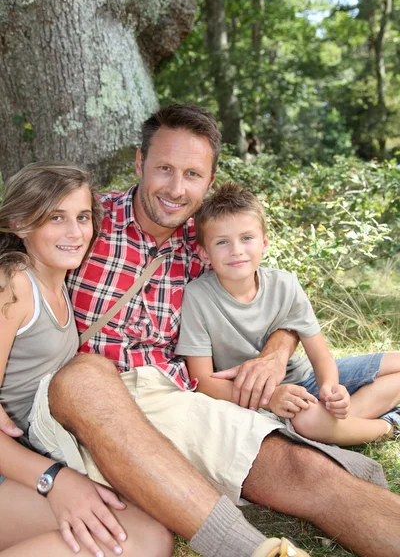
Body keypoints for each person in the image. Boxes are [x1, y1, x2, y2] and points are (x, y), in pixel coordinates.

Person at [4, 105, 400, 557]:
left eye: (192, 174)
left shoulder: (211, 241)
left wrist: (275, 351)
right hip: (79, 402)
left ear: (209, 180)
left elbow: (279, 300)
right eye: (164, 169)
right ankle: (245, 548)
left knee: (303, 471)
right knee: (86, 371)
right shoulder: (89, 220)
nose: (176, 189)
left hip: (168, 397)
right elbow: (24, 252)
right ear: (139, 164)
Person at [0, 163, 174, 557]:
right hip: (14, 467)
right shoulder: (13, 286)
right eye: (56, 218)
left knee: (149, 533)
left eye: (82, 217)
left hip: (29, 457)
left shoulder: (58, 282)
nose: (75, 233)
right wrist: (53, 481)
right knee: (143, 540)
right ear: (19, 223)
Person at [175, 181, 400, 446]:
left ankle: (339, 422)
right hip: (260, 400)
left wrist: (331, 387)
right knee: (306, 420)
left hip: (304, 378)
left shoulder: (285, 284)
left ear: (264, 242)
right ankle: (387, 426)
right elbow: (203, 382)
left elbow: (320, 355)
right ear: (204, 253)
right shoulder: (198, 296)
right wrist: (271, 398)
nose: (236, 250)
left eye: (247, 238)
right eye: (222, 242)